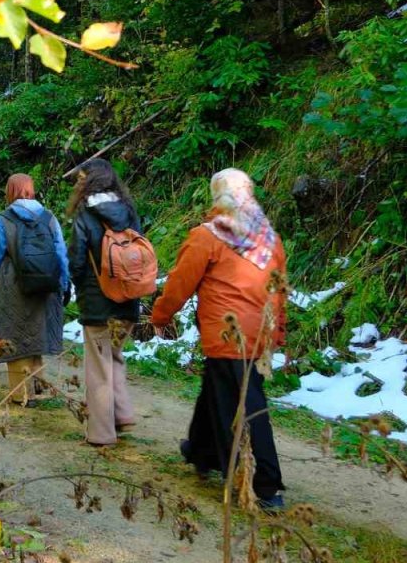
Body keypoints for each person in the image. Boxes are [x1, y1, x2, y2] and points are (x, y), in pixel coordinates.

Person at [151, 168, 288, 511]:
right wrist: (278, 329)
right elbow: (279, 289)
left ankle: (264, 484)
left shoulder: (207, 236)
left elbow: (180, 283)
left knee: (245, 406)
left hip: (228, 334)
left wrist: (161, 315)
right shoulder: (268, 238)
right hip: (259, 331)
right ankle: (202, 450)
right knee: (218, 388)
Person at [68, 159, 142, 445]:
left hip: (98, 303)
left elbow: (76, 261)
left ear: (91, 183)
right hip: (128, 300)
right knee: (114, 356)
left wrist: (80, 290)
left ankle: (100, 433)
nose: (77, 184)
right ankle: (122, 414)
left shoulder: (85, 217)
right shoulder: (130, 212)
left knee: (98, 365)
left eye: (81, 179)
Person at [0, 173, 68, 406]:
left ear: (10, 191)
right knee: (36, 334)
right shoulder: (49, 217)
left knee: (13, 336)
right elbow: (60, 252)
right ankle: (38, 387)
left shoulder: (4, 219)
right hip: (46, 285)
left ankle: (20, 395)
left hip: (13, 286)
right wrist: (65, 283)